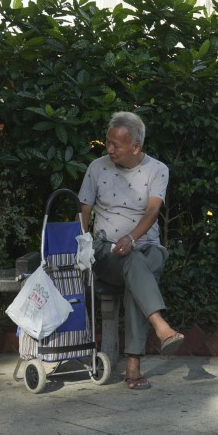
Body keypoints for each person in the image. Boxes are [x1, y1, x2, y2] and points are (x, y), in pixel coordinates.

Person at [79, 111, 183, 390]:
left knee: (137, 262)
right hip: (106, 251)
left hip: (148, 248)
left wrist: (131, 237)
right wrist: (83, 247)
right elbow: (84, 210)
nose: (109, 149)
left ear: (135, 147)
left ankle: (141, 354)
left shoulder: (157, 169)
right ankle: (155, 335)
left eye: (116, 145)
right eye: (108, 142)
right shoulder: (96, 167)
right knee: (134, 264)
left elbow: (152, 210)